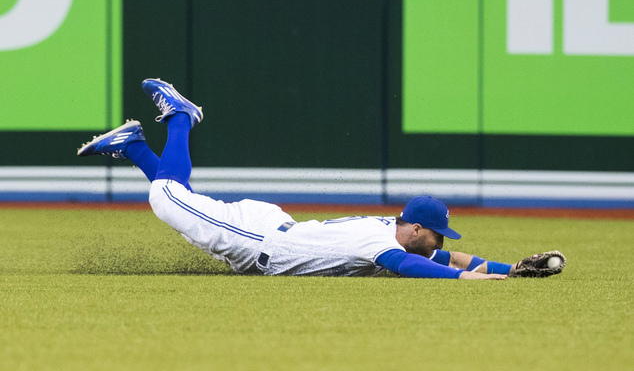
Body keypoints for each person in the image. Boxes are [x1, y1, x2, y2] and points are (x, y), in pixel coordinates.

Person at [78, 79, 567, 280]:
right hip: (261, 238)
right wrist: (468, 281)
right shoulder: (381, 243)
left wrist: (509, 270)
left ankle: (134, 145)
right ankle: (179, 118)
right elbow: (417, 267)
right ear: (416, 228)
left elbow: (449, 255)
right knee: (167, 196)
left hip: (272, 234)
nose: (440, 242)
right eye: (436, 233)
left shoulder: (395, 233)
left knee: (176, 196)